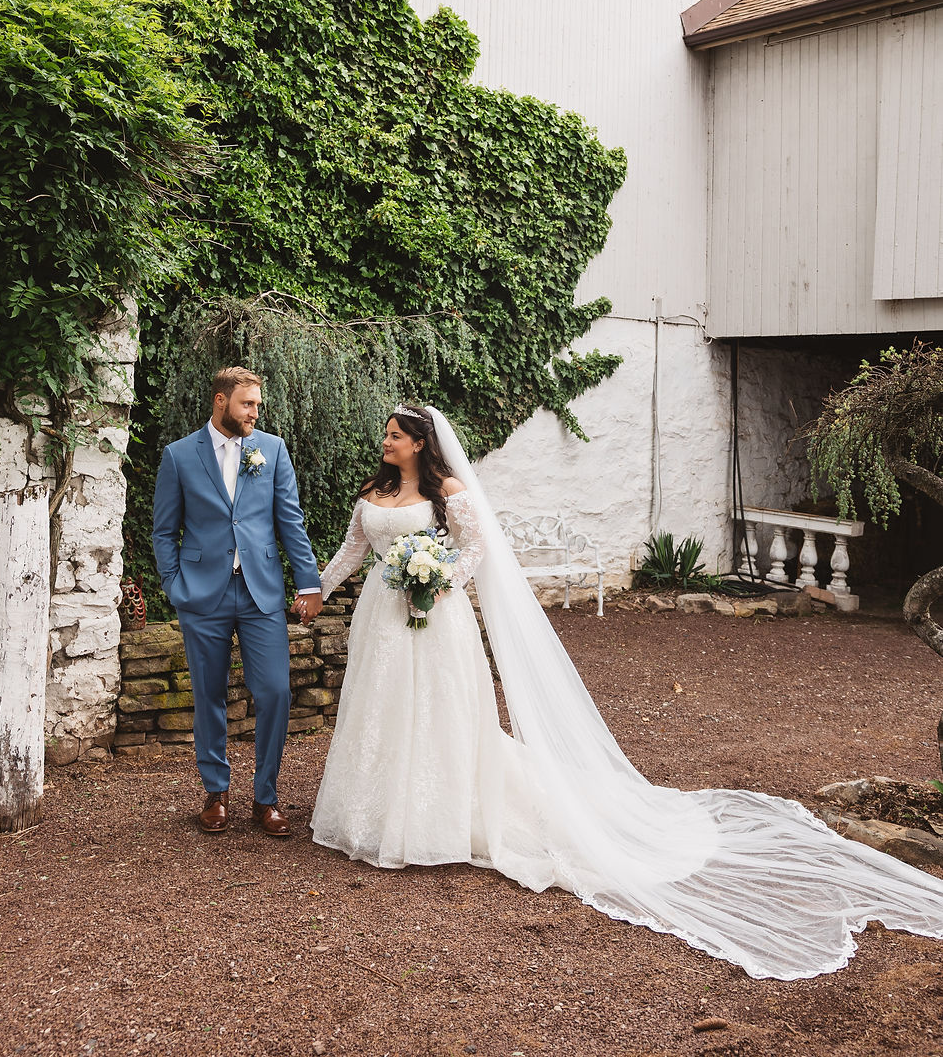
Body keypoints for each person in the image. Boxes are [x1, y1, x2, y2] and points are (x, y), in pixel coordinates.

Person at [312, 402, 943, 981]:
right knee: (381, 709)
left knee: (443, 713)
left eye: (396, 435)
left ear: (422, 443)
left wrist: (438, 580)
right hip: (383, 616)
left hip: (433, 615)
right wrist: (316, 589)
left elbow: (476, 551)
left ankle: (437, 816)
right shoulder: (374, 492)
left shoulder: (449, 491)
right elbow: (350, 550)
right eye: (388, 436)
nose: (386, 442)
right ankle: (377, 807)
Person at [152, 366, 323, 836]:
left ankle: (265, 798)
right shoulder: (179, 455)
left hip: (260, 590)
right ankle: (216, 793)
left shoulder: (272, 450)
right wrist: (174, 584)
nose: (254, 412)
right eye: (247, 404)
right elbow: (164, 531)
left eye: (257, 406)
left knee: (275, 691)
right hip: (201, 593)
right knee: (207, 694)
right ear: (220, 401)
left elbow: (290, 520)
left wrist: (308, 583)